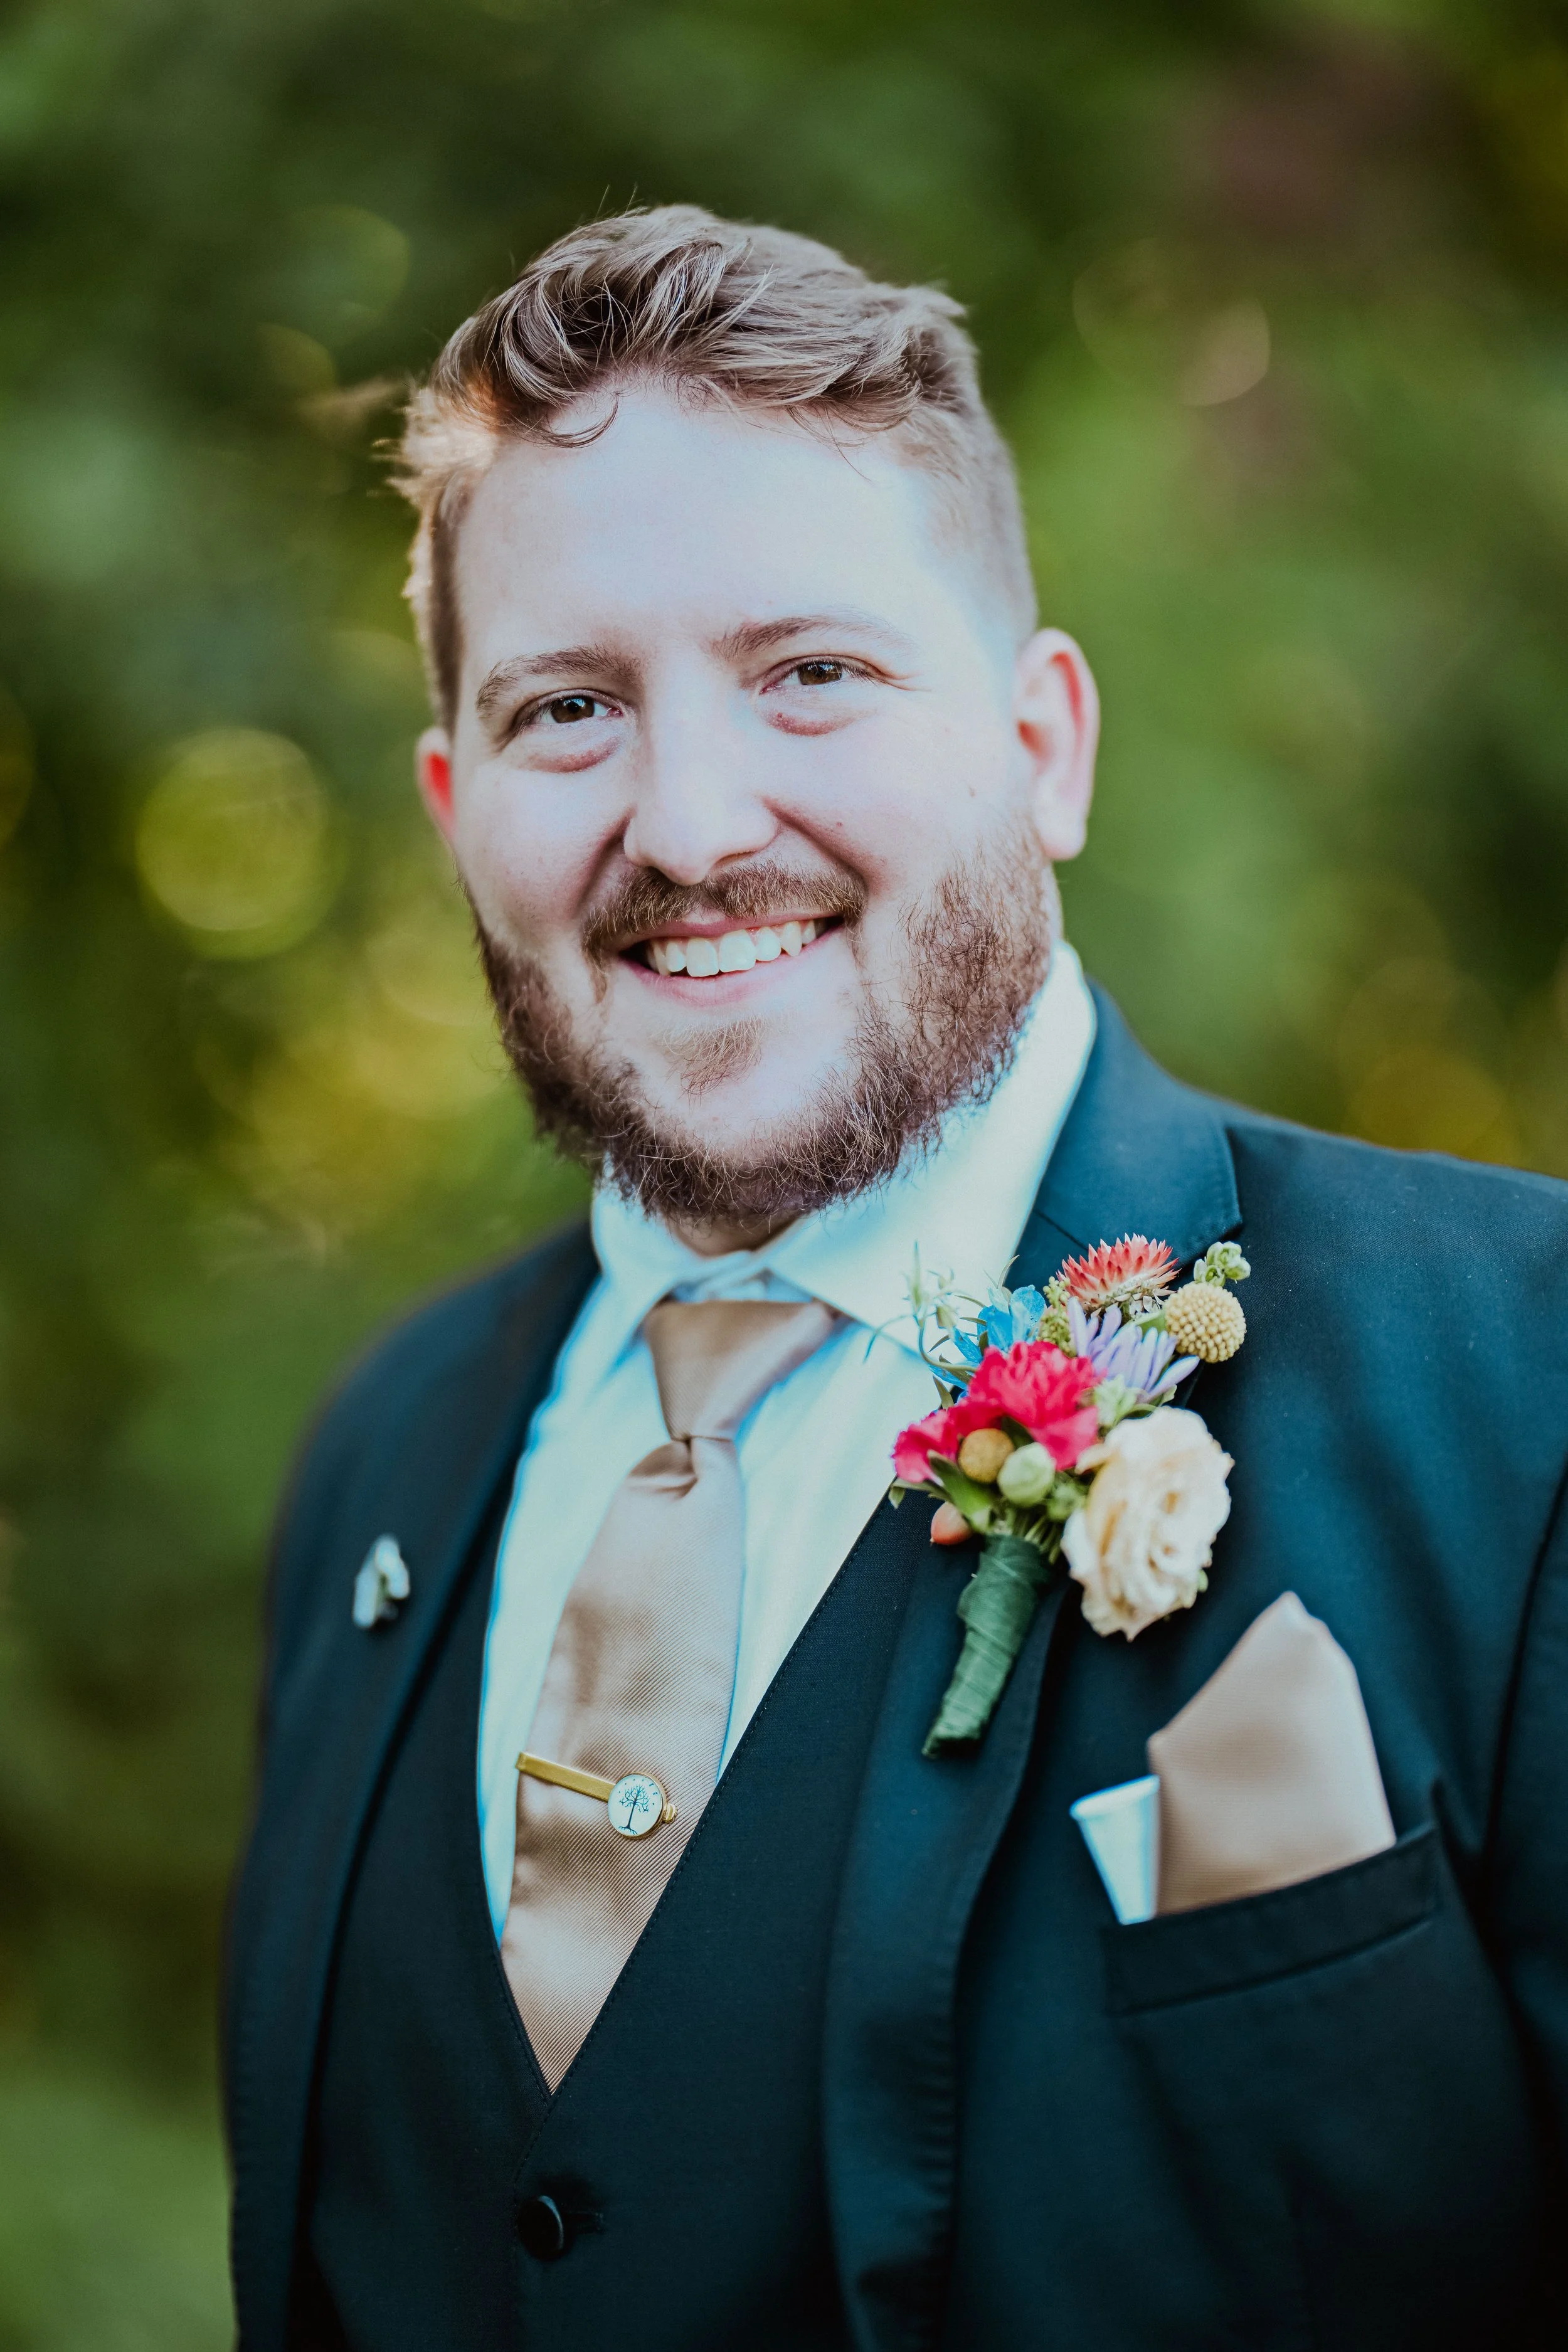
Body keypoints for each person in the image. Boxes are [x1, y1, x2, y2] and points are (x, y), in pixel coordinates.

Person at [224, 206, 1568, 2351]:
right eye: (568, 709)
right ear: (452, 804)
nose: (686, 821)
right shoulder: (380, 1469)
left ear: (1044, 744)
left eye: (810, 674)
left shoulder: (1522, 1380)